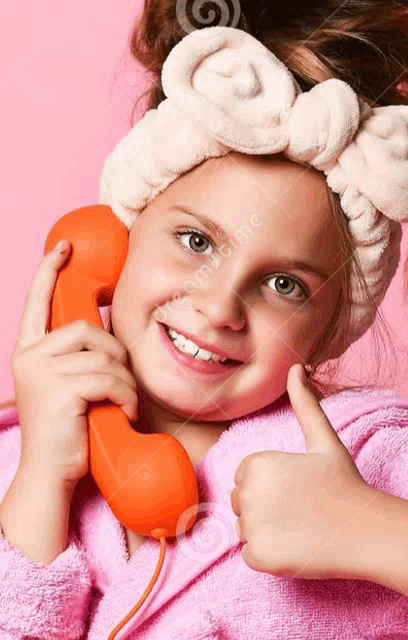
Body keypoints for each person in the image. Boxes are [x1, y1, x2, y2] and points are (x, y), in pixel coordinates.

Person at [1, 3, 408, 639]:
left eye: (283, 285)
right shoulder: (15, 464)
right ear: (120, 237)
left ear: (331, 329)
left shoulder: (373, 457)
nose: (219, 308)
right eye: (196, 242)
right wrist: (38, 482)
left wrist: (374, 531)